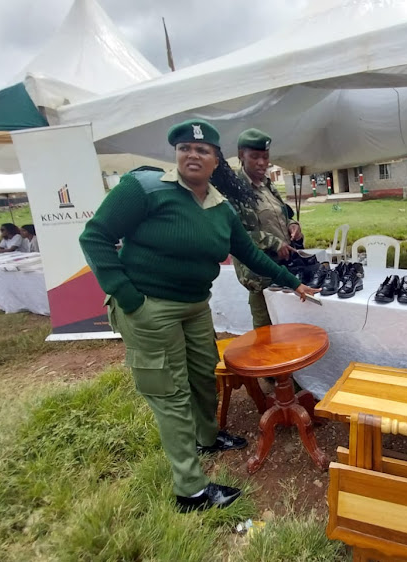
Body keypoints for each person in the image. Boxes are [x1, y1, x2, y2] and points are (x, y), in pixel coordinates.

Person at [79, 119, 318, 513]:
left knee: (204, 374)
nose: (193, 154)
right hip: (149, 308)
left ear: (215, 161)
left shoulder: (219, 207)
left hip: (194, 306)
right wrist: (127, 296)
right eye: (185, 148)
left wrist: (293, 283)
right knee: (171, 394)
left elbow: (251, 253)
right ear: (176, 155)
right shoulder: (145, 189)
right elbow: (95, 237)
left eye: (203, 150)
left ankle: (207, 437)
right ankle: (190, 491)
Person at [231, 128, 304, 329]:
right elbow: (233, 234)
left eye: (265, 157)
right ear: (241, 155)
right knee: (267, 334)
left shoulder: (267, 185)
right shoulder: (234, 190)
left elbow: (282, 214)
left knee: (290, 328)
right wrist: (272, 241)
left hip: (285, 268)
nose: (262, 163)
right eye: (254, 156)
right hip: (260, 276)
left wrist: (292, 225)